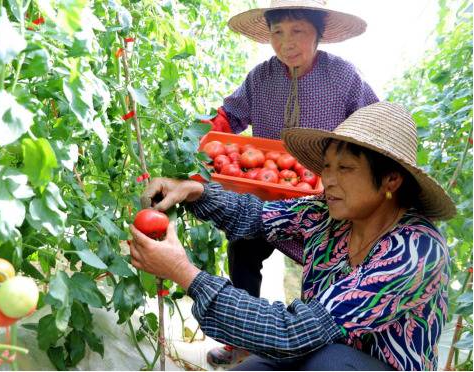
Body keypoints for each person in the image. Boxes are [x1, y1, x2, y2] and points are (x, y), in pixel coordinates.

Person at [130, 102, 456, 371]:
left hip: (344, 360)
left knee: (331, 363)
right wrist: (195, 192)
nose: (328, 179)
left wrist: (184, 273)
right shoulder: (325, 214)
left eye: (345, 169)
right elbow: (255, 216)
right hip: (315, 350)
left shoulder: (415, 249)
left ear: (391, 180)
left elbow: (295, 332)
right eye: (327, 167)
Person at [202, 0, 379, 365]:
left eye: (297, 31)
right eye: (277, 33)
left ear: (319, 33)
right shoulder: (260, 77)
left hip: (325, 198)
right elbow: (229, 116)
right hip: (265, 193)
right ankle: (242, 340)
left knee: (327, 268)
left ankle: (314, 347)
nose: (287, 43)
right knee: (242, 252)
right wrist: (199, 140)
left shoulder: (343, 77)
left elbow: (372, 124)